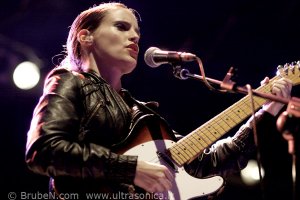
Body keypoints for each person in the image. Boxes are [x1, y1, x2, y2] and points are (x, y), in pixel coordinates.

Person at [25, 2, 293, 200]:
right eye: (121, 26)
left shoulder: (142, 114)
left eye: (137, 32)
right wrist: (129, 169)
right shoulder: (71, 80)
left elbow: (206, 164)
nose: (135, 37)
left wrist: (267, 109)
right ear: (86, 36)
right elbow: (44, 149)